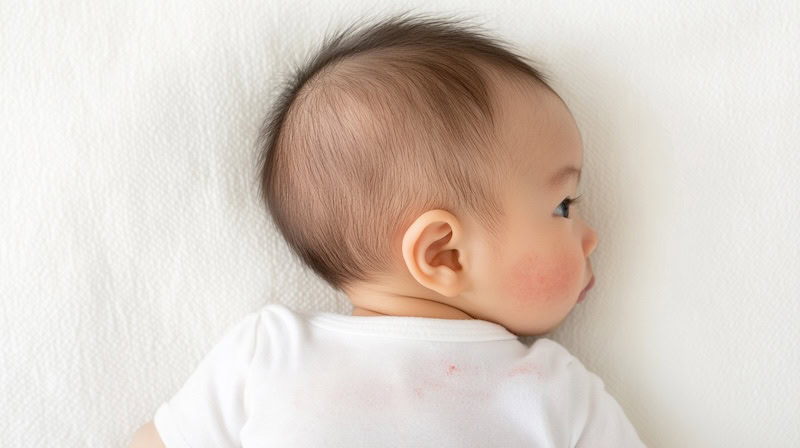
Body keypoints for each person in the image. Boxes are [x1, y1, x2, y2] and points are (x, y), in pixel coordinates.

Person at [129, 12, 645, 447]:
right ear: (443, 254)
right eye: (563, 206)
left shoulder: (557, 390)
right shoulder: (268, 350)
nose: (591, 235)